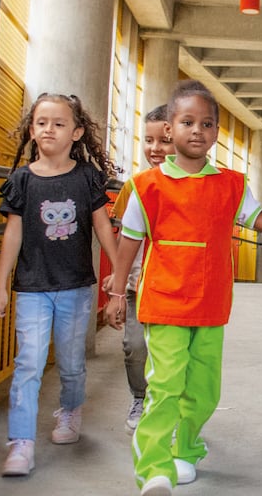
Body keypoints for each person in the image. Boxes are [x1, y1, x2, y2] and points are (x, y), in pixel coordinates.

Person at [103, 80, 262, 496]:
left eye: (207, 124)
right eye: (187, 122)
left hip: (211, 305)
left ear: (216, 133)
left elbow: (261, 222)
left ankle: (185, 449)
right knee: (166, 385)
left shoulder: (231, 183)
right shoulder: (146, 185)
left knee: (205, 390)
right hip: (163, 302)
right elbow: (129, 243)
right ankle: (154, 467)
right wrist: (118, 293)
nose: (197, 130)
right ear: (169, 129)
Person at [0, 93, 120, 477]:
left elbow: (102, 226)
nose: (49, 129)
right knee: (28, 362)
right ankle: (21, 442)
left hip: (75, 287)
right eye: (42, 122)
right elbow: (12, 235)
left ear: (77, 132)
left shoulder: (86, 177)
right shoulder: (21, 180)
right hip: (31, 287)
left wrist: (120, 271)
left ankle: (69, 409)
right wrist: (1, 286)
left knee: (70, 364)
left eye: (59, 123)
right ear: (32, 129)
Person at [103, 104, 174, 432]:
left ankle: (171, 406)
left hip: (175, 288)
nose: (155, 149)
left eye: (164, 140)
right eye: (148, 140)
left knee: (172, 355)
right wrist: (118, 279)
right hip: (137, 285)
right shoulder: (135, 186)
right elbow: (125, 239)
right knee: (134, 347)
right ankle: (139, 395)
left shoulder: (192, 185)